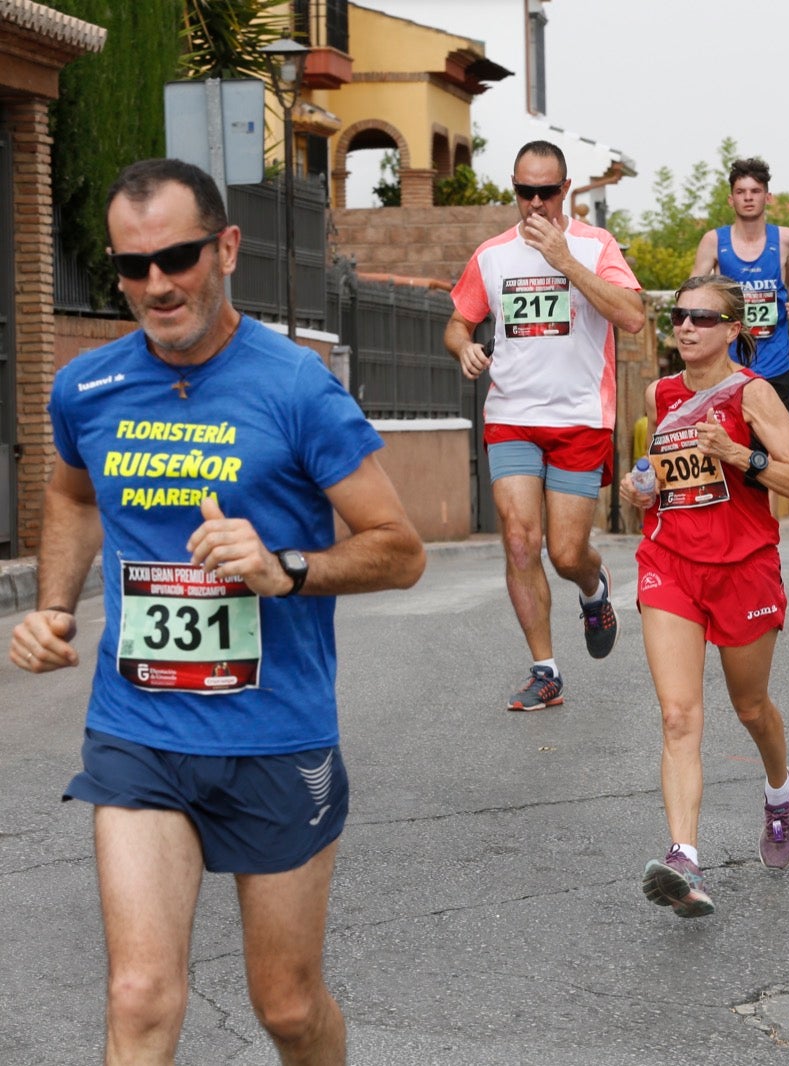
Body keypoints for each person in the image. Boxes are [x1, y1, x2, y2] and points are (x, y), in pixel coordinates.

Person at [8, 158, 427, 1063]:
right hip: (139, 729)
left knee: (285, 1006)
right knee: (140, 997)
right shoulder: (88, 389)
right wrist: (54, 606)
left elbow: (400, 548)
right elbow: (76, 498)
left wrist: (286, 567)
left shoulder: (297, 387)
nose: (156, 285)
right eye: (131, 266)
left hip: (276, 733)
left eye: (179, 257)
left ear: (227, 247)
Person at [618, 275, 789, 919]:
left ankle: (780, 792)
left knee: (751, 706)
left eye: (702, 317)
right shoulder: (659, 392)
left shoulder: (753, 394)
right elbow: (658, 474)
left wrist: (738, 453)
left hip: (743, 566)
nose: (685, 327)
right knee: (679, 716)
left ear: (733, 330)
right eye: (679, 316)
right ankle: (683, 859)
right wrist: (641, 487)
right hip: (670, 562)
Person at [445, 139, 647, 711]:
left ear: (565, 190)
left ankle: (593, 587)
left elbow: (632, 316)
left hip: (579, 417)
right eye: (523, 192)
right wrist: (463, 347)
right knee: (518, 540)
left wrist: (566, 262)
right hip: (511, 414)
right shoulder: (492, 255)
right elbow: (459, 321)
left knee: (564, 552)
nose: (534, 204)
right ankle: (545, 670)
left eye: (546, 192)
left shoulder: (595, 245)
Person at [692, 156, 789, 412]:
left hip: (775, 364)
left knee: (776, 449)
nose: (748, 197)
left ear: (768, 197)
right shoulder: (713, 241)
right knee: (729, 445)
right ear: (731, 200)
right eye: (741, 192)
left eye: (755, 191)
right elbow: (691, 296)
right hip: (727, 364)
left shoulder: (786, 239)